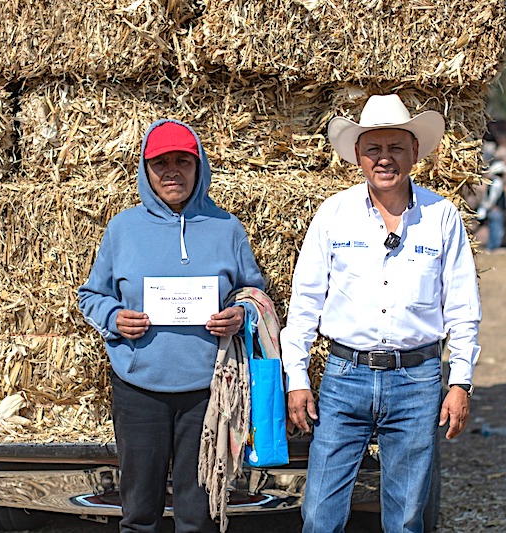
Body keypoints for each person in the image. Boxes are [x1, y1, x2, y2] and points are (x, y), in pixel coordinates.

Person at [280, 94, 481, 533]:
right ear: (358, 155)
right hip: (344, 376)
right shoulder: (334, 214)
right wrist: (296, 380)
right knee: (318, 513)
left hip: (417, 380)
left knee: (406, 517)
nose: (384, 159)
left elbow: (463, 308)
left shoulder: (441, 217)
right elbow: (305, 305)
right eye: (374, 148)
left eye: (395, 148)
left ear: (414, 152)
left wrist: (461, 381)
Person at [78, 119, 264, 533]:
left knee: (197, 517)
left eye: (183, 161)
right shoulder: (123, 229)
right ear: (145, 170)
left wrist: (240, 315)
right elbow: (91, 295)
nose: (172, 172)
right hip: (139, 388)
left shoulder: (226, 229)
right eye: (160, 163)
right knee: (139, 513)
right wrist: (113, 318)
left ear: (200, 168)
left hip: (207, 391)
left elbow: (254, 293)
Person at [477, 160, 506, 251]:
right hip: (495, 209)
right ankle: (494, 247)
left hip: (492, 209)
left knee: (493, 228)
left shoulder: (493, 182)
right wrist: (490, 206)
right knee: (497, 229)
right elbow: (493, 197)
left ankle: (492, 246)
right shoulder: (498, 182)